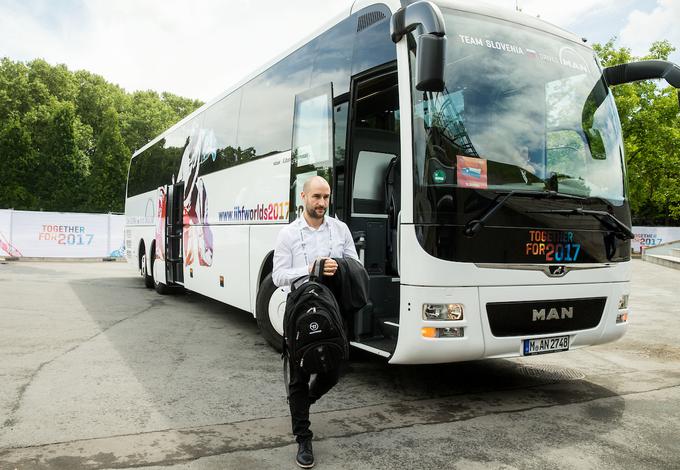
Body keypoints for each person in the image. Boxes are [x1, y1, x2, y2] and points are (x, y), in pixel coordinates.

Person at [272, 175, 359, 468]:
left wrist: (341, 265)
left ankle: (303, 404)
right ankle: (303, 438)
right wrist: (309, 268)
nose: (322, 203)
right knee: (298, 373)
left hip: (333, 308)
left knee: (334, 371)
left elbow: (355, 263)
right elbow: (278, 275)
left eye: (326, 197)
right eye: (316, 197)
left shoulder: (340, 228)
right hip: (300, 307)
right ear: (303, 198)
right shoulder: (287, 234)